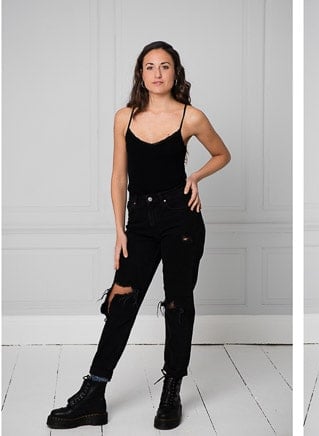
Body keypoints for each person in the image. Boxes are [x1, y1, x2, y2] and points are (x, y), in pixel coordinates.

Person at [46, 41, 232, 430]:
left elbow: (222, 154)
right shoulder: (124, 117)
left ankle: (171, 393)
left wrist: (195, 176)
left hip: (180, 219)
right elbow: (118, 178)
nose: (158, 73)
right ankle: (94, 393)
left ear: (175, 73)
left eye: (165, 66)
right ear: (141, 74)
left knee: (178, 304)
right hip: (139, 221)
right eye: (150, 67)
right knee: (122, 301)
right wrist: (119, 231)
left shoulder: (191, 117)